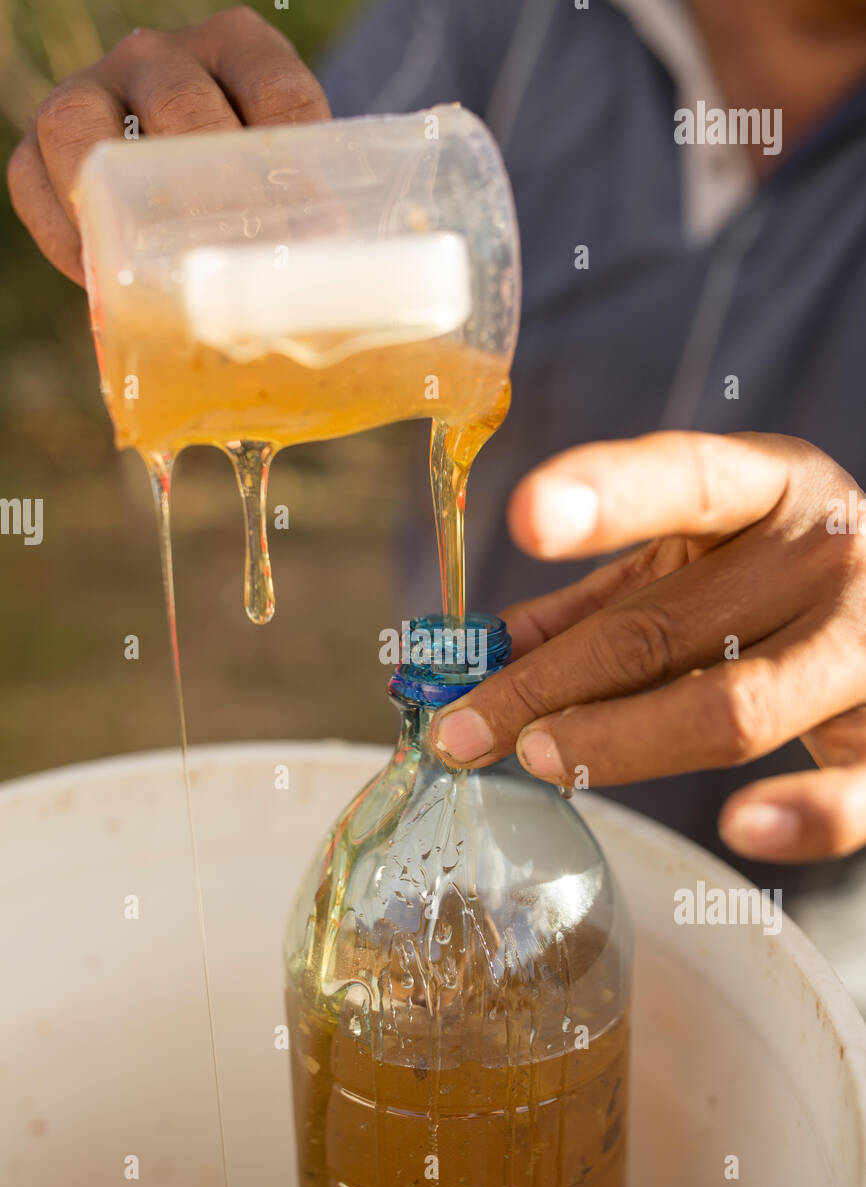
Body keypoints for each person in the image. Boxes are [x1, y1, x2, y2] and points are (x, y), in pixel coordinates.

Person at [8, 2, 866, 893]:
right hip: (459, 837)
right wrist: (174, 152)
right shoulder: (497, 22)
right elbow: (271, 238)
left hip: (820, 901)